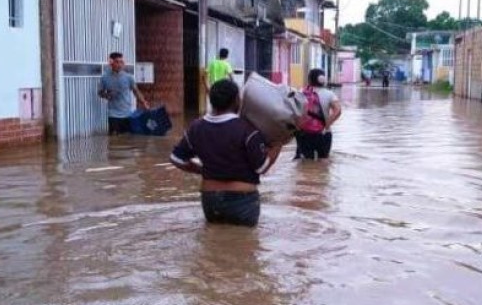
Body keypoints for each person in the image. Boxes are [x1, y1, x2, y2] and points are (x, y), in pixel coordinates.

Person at [170, 79, 284, 227]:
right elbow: (261, 167)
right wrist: (278, 144)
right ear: (237, 100)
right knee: (245, 245)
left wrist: (200, 170)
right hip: (243, 200)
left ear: (211, 100)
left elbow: (176, 159)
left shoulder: (196, 127)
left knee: (212, 246)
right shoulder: (247, 129)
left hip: (210, 200)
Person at [295, 68, 342, 160]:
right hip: (324, 133)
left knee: (305, 163)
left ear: (309, 80)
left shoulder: (301, 93)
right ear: (323, 80)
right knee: (323, 162)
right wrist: (327, 125)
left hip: (304, 134)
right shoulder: (330, 94)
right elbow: (338, 111)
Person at [98, 52, 149, 135]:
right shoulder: (104, 78)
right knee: (114, 140)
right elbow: (100, 93)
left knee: (126, 139)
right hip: (113, 114)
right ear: (111, 63)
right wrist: (107, 95)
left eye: (121, 62)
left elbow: (136, 91)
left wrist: (144, 103)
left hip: (127, 114)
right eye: (117, 62)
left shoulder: (129, 77)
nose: (120, 64)